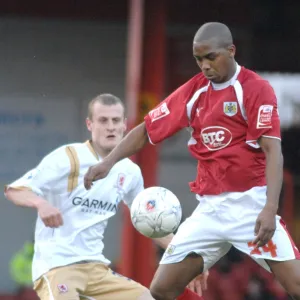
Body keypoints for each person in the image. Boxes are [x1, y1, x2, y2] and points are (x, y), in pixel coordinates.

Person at [84, 22, 300, 300]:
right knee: (161, 289)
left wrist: (270, 208)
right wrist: (108, 162)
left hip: (250, 210)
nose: (205, 66)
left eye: (211, 57)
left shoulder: (256, 89)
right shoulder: (194, 91)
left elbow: (273, 151)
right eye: (199, 59)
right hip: (209, 212)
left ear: (231, 51)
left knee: (295, 286)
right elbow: (146, 130)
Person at [5, 94, 206, 300]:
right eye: (103, 120)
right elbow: (15, 190)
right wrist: (41, 204)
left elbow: (150, 223)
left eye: (116, 120)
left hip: (96, 269)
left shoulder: (129, 171)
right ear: (89, 125)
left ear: (125, 125)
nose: (110, 127)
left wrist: (186, 256)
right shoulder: (68, 157)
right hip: (57, 267)